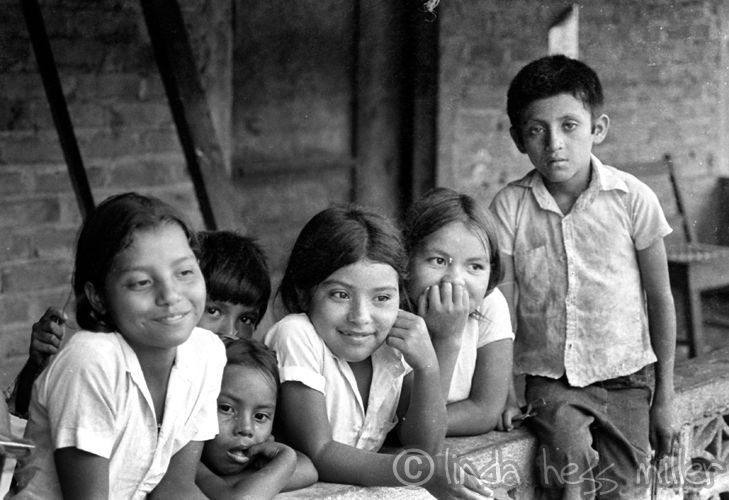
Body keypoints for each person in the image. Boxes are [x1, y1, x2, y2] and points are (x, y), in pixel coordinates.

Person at [490, 54, 676, 499]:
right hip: (551, 380)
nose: (555, 143)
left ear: (598, 128)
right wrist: (504, 392)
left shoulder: (633, 199)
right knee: (568, 468)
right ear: (518, 139)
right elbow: (501, 308)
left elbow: (660, 298)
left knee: (625, 490)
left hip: (627, 377)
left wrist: (665, 396)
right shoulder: (510, 207)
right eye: (537, 130)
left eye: (569, 126)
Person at [263, 205, 493, 499]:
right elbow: (319, 452)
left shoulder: (393, 342)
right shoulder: (296, 334)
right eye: (340, 295)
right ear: (304, 292)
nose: (361, 317)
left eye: (382, 297)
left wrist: (428, 367)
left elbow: (424, 448)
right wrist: (419, 471)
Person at [8, 192, 227, 499]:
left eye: (184, 272)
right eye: (141, 282)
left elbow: (174, 488)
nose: (170, 295)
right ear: (98, 297)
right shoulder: (91, 361)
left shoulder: (206, 352)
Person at [5, 230, 271, 420]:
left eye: (246, 319)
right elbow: (26, 419)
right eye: (213, 311)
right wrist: (36, 367)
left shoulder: (252, 380)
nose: (230, 332)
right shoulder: (132, 367)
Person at [403, 187, 517, 436]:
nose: (455, 280)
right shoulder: (388, 308)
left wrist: (423, 426)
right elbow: (399, 415)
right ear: (407, 259)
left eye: (475, 266)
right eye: (439, 261)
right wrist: (445, 338)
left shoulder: (490, 303)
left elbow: (485, 410)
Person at [196, 338, 317, 499]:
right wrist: (284, 462)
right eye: (226, 409)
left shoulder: (257, 452)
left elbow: (308, 470)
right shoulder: (188, 465)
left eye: (260, 416)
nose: (246, 428)